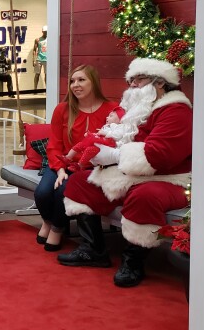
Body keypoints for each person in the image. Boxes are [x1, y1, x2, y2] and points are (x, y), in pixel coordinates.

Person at [61, 58, 192, 287]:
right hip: (134, 175)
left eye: (137, 80)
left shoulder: (176, 111)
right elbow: (124, 139)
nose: (131, 86)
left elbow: (158, 156)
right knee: (81, 181)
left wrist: (112, 156)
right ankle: (93, 250)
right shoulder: (142, 110)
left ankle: (133, 262)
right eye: (130, 81)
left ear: (159, 83)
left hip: (172, 179)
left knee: (144, 196)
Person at [34, 65, 117, 252]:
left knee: (62, 191)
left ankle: (57, 228)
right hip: (62, 163)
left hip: (91, 167)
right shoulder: (63, 109)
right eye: (72, 81)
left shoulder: (111, 110)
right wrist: (61, 169)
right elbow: (54, 144)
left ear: (93, 83)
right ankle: (48, 221)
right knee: (42, 192)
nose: (75, 85)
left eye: (81, 80)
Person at [64, 105, 127, 172]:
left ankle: (80, 165)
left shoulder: (119, 127)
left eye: (111, 116)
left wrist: (105, 133)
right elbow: (99, 135)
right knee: (81, 144)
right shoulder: (106, 126)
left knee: (89, 150)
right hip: (100, 144)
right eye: (108, 116)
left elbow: (118, 135)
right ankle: (68, 157)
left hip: (107, 147)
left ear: (120, 120)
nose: (107, 117)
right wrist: (91, 135)